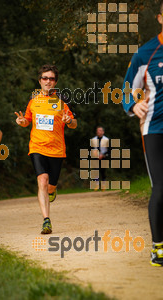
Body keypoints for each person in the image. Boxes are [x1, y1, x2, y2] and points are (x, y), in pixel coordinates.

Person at [122, 1, 163, 266]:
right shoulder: (146, 53)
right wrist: (132, 104)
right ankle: (158, 246)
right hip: (155, 129)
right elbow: (126, 88)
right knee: (162, 187)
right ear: (160, 18)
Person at [15, 64, 77, 234]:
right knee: (42, 180)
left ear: (55, 82)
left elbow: (74, 124)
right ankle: (46, 220)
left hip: (57, 150)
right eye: (45, 78)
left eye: (51, 78)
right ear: (39, 80)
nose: (48, 81)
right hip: (37, 147)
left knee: (50, 186)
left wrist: (69, 121)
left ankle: (53, 189)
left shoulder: (62, 102)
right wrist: (23, 122)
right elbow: (27, 120)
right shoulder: (33, 102)